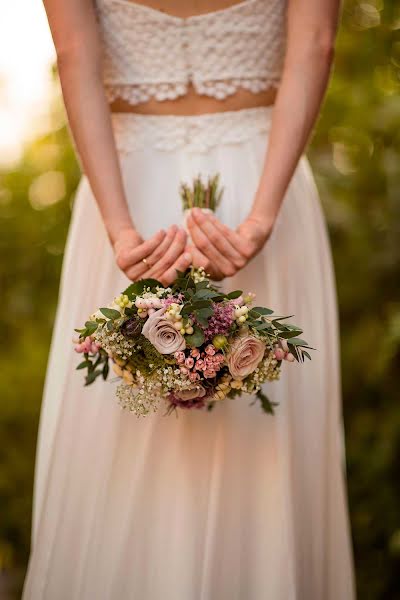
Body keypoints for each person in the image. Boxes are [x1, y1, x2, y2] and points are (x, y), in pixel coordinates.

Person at [23, 1, 355, 598]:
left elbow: (75, 58)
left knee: (115, 450)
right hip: (263, 178)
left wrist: (121, 232)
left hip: (126, 188)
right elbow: (315, 47)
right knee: (267, 448)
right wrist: (259, 219)